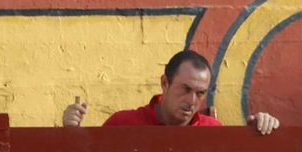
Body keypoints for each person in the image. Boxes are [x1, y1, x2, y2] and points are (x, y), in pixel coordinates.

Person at [62, 49, 280, 134]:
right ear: (165, 83)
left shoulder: (213, 131)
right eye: (185, 89)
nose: (192, 101)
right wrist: (70, 133)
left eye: (200, 93)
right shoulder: (122, 124)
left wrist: (259, 132)